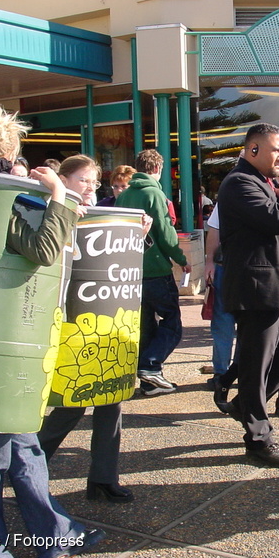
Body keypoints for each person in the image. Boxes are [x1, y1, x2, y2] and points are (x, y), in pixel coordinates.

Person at [0, 104, 104, 558]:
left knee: (24, 450)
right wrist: (59, 193)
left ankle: (52, 533)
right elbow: (44, 249)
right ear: (10, 150)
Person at [217, 123, 279, 468]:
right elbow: (277, 220)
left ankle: (244, 402)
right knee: (256, 365)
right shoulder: (239, 183)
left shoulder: (264, 182)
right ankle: (257, 438)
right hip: (259, 290)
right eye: (276, 149)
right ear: (253, 150)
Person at [37, 155, 133, 504]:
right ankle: (28, 467)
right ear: (62, 179)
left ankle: (103, 478)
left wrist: (141, 233)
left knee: (111, 398)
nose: (91, 187)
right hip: (68, 321)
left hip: (104, 320)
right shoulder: (50, 209)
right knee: (72, 403)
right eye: (82, 180)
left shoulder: (106, 211)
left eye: (94, 181)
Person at [117, 149, 190, 396]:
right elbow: (166, 234)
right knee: (172, 322)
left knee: (145, 325)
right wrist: (181, 259)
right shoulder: (154, 194)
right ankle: (150, 366)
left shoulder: (124, 196)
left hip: (131, 270)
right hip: (156, 269)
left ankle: (149, 382)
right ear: (158, 169)